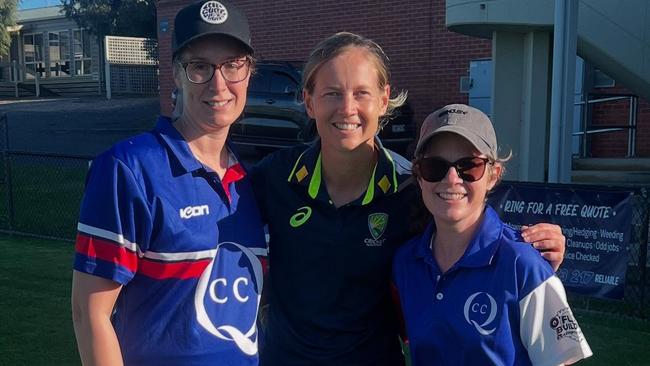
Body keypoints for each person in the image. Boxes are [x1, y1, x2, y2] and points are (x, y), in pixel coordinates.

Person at [251, 32, 567, 365]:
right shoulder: (274, 177)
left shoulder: (413, 189)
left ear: (384, 100)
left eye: (361, 93)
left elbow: (472, 223)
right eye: (332, 93)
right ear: (310, 101)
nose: (347, 108)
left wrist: (534, 249)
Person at [71, 1, 267, 365]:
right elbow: (89, 313)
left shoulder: (250, 182)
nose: (219, 83)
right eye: (200, 67)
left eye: (232, 66)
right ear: (175, 74)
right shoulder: (128, 169)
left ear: (249, 72)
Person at [392, 104, 592, 365]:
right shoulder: (406, 262)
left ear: (493, 175)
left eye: (469, 166)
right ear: (419, 175)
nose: (452, 179)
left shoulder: (523, 264)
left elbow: (560, 360)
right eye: (434, 167)